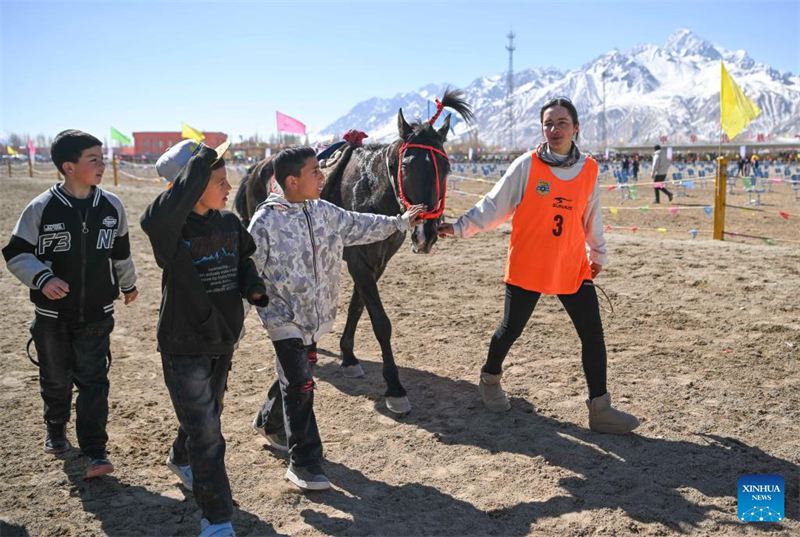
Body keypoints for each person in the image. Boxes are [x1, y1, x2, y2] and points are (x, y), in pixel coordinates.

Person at [438, 97, 639, 435]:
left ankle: (600, 408)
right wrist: (459, 226)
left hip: (571, 264)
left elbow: (592, 215)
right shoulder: (527, 165)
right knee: (511, 328)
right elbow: (494, 204)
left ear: (576, 127)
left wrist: (598, 254)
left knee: (592, 334)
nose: (554, 129)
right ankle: (490, 379)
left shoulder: (589, 168)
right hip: (529, 263)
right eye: (548, 123)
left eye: (562, 122)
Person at [248, 146, 424, 490]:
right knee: (301, 386)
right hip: (283, 318)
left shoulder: (325, 211)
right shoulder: (265, 221)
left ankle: (270, 421)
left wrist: (400, 222)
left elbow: (361, 224)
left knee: (298, 373)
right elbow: (248, 273)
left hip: (316, 318)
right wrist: (235, 323)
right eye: (315, 171)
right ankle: (305, 462)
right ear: (292, 181)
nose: (323, 176)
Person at [140, 139, 267, 537]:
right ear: (191, 186)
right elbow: (157, 219)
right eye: (219, 181)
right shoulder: (168, 230)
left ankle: (182, 456)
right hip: (184, 344)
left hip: (222, 340)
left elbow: (243, 258)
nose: (229, 189)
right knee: (209, 434)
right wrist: (196, 164)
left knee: (206, 415)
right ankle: (216, 517)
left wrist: (254, 287)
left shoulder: (228, 222)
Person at [2, 130, 138, 478]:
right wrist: (43, 279)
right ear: (68, 166)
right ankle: (55, 427)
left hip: (96, 314)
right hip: (51, 318)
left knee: (94, 380)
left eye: (102, 158)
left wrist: (128, 285)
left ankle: (95, 451)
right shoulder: (41, 208)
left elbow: (120, 252)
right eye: (93, 159)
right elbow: (16, 253)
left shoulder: (111, 206)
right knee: (57, 378)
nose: (102, 165)